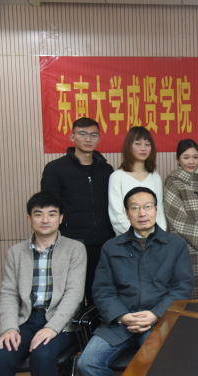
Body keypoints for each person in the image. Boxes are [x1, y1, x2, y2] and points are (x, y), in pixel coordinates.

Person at [78, 187, 193, 376]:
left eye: (147, 207)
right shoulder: (111, 247)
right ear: (126, 213)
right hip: (120, 323)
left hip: (159, 321)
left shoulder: (175, 245)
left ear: (156, 210)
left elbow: (182, 287)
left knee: (157, 364)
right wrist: (123, 316)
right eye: (135, 208)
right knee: (88, 363)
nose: (142, 213)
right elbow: (102, 289)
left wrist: (155, 314)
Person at [0, 192, 86, 376]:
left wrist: (52, 327)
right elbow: (9, 293)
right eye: (38, 214)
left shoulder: (75, 249)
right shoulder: (15, 252)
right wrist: (9, 328)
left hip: (61, 322)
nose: (45, 220)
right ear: (29, 219)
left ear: (61, 218)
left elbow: (74, 294)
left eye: (52, 214)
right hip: (25, 320)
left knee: (42, 356)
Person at [41, 117, 114, 305]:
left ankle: (96, 326)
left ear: (99, 138)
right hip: (70, 245)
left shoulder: (106, 170)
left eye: (93, 135)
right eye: (82, 134)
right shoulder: (55, 169)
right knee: (71, 298)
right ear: (72, 136)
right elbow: (49, 209)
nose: (88, 139)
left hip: (102, 244)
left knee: (99, 298)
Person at [164, 139, 198, 299]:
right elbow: (178, 219)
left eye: (195, 157)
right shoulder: (173, 182)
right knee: (188, 292)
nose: (191, 162)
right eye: (186, 157)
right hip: (186, 245)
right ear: (178, 159)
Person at [108, 126, 166, 236]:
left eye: (147, 144)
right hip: (127, 239)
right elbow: (116, 216)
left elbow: (160, 212)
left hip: (155, 240)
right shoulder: (117, 177)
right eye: (138, 144)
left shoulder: (155, 177)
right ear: (128, 146)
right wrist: (140, 236)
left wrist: (158, 236)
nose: (143, 148)